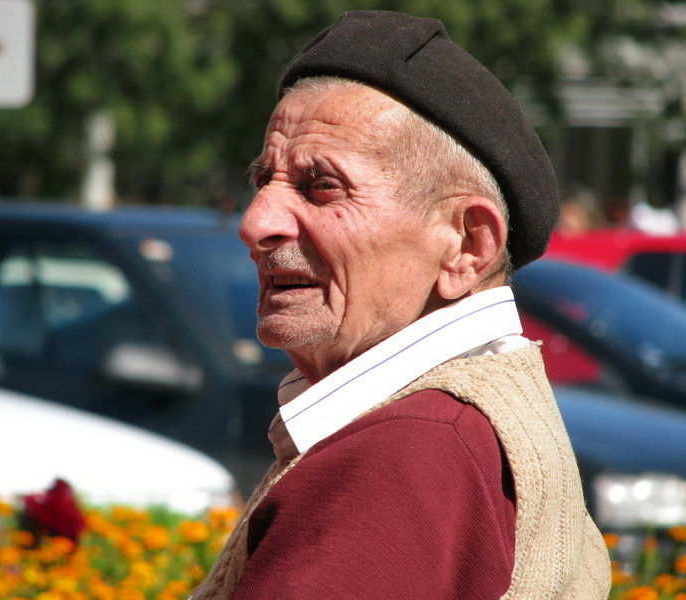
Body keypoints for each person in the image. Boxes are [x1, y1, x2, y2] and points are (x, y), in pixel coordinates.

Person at [192, 10, 610, 600]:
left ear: (467, 246)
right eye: (265, 180)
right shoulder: (452, 425)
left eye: (321, 186)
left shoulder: (405, 452)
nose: (256, 223)